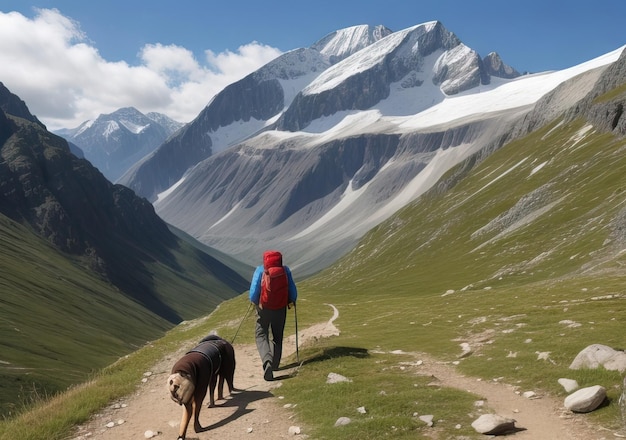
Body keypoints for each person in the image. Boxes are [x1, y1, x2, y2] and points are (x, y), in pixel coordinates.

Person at [249, 250, 297, 381]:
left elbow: (253, 291)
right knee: (277, 335)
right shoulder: (285, 270)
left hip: (264, 308)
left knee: (261, 333)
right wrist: (292, 300)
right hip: (280, 308)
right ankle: (275, 365)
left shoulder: (260, 270)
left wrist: (254, 301)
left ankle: (267, 361)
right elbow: (292, 290)